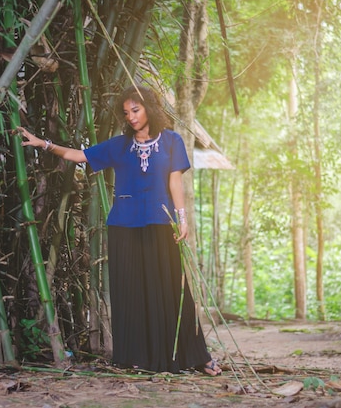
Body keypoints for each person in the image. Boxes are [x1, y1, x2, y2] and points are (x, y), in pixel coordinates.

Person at [18, 85, 222, 376]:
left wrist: (182, 218)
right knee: (131, 293)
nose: (131, 117)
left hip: (161, 223)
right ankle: (140, 357)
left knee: (174, 292)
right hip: (123, 226)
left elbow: (175, 182)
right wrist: (44, 144)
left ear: (149, 108)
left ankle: (196, 356)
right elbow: (80, 156)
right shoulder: (120, 145)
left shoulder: (172, 141)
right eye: (126, 112)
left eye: (136, 110)